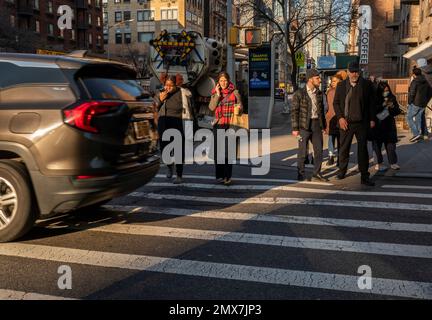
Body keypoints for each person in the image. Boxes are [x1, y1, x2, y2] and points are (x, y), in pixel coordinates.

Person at [333, 61, 376, 186]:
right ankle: (342, 171)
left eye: (356, 71)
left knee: (362, 149)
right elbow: (336, 103)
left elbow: (371, 103)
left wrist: (372, 119)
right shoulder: (341, 85)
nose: (354, 74)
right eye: (352, 72)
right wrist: (340, 118)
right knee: (343, 149)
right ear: (347, 72)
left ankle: (364, 176)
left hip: (361, 123)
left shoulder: (366, 84)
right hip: (346, 122)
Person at [154, 75, 193, 184]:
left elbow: (190, 109)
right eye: (166, 85)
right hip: (163, 124)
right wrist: (160, 100)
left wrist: (193, 126)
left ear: (176, 85)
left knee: (178, 150)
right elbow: (153, 107)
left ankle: (179, 175)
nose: (168, 87)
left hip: (177, 124)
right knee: (164, 148)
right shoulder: (160, 93)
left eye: (171, 85)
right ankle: (169, 166)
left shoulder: (182, 93)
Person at [291, 69, 327, 182]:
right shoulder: (299, 93)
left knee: (319, 151)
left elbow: (321, 111)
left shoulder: (319, 93)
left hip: (316, 124)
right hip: (303, 126)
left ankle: (317, 173)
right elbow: (294, 111)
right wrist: (295, 128)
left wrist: (324, 126)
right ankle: (301, 174)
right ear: (310, 79)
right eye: (317, 78)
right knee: (302, 152)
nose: (320, 80)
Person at [209, 72, 243, 185]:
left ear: (228, 81)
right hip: (219, 125)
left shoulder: (235, 92)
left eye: (225, 80)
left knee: (229, 152)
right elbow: (211, 107)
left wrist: (240, 107)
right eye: (221, 80)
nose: (223, 83)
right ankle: (220, 175)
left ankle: (227, 177)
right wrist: (218, 95)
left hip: (231, 125)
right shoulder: (215, 93)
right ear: (218, 82)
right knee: (219, 152)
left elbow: (241, 107)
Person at [372, 81, 402, 171]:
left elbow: (397, 111)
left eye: (387, 90)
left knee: (391, 145)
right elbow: (373, 110)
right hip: (378, 125)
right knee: (377, 145)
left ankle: (393, 162)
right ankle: (378, 162)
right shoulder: (375, 98)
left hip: (389, 124)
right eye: (384, 91)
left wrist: (392, 107)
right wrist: (382, 105)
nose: (386, 92)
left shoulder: (392, 97)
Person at [407, 68, 432, 142]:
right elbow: (430, 92)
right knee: (418, 118)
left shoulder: (415, 81)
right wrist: (426, 101)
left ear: (414, 74)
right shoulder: (426, 81)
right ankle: (419, 135)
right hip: (423, 104)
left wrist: (409, 102)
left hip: (416, 103)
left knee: (409, 117)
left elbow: (412, 93)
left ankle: (416, 134)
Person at [325, 74, 343, 166]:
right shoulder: (329, 92)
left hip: (340, 119)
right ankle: (330, 156)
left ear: (340, 81)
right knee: (331, 139)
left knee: (340, 139)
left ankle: (340, 158)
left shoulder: (344, 91)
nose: (332, 83)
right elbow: (326, 106)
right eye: (332, 81)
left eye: (335, 81)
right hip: (330, 119)